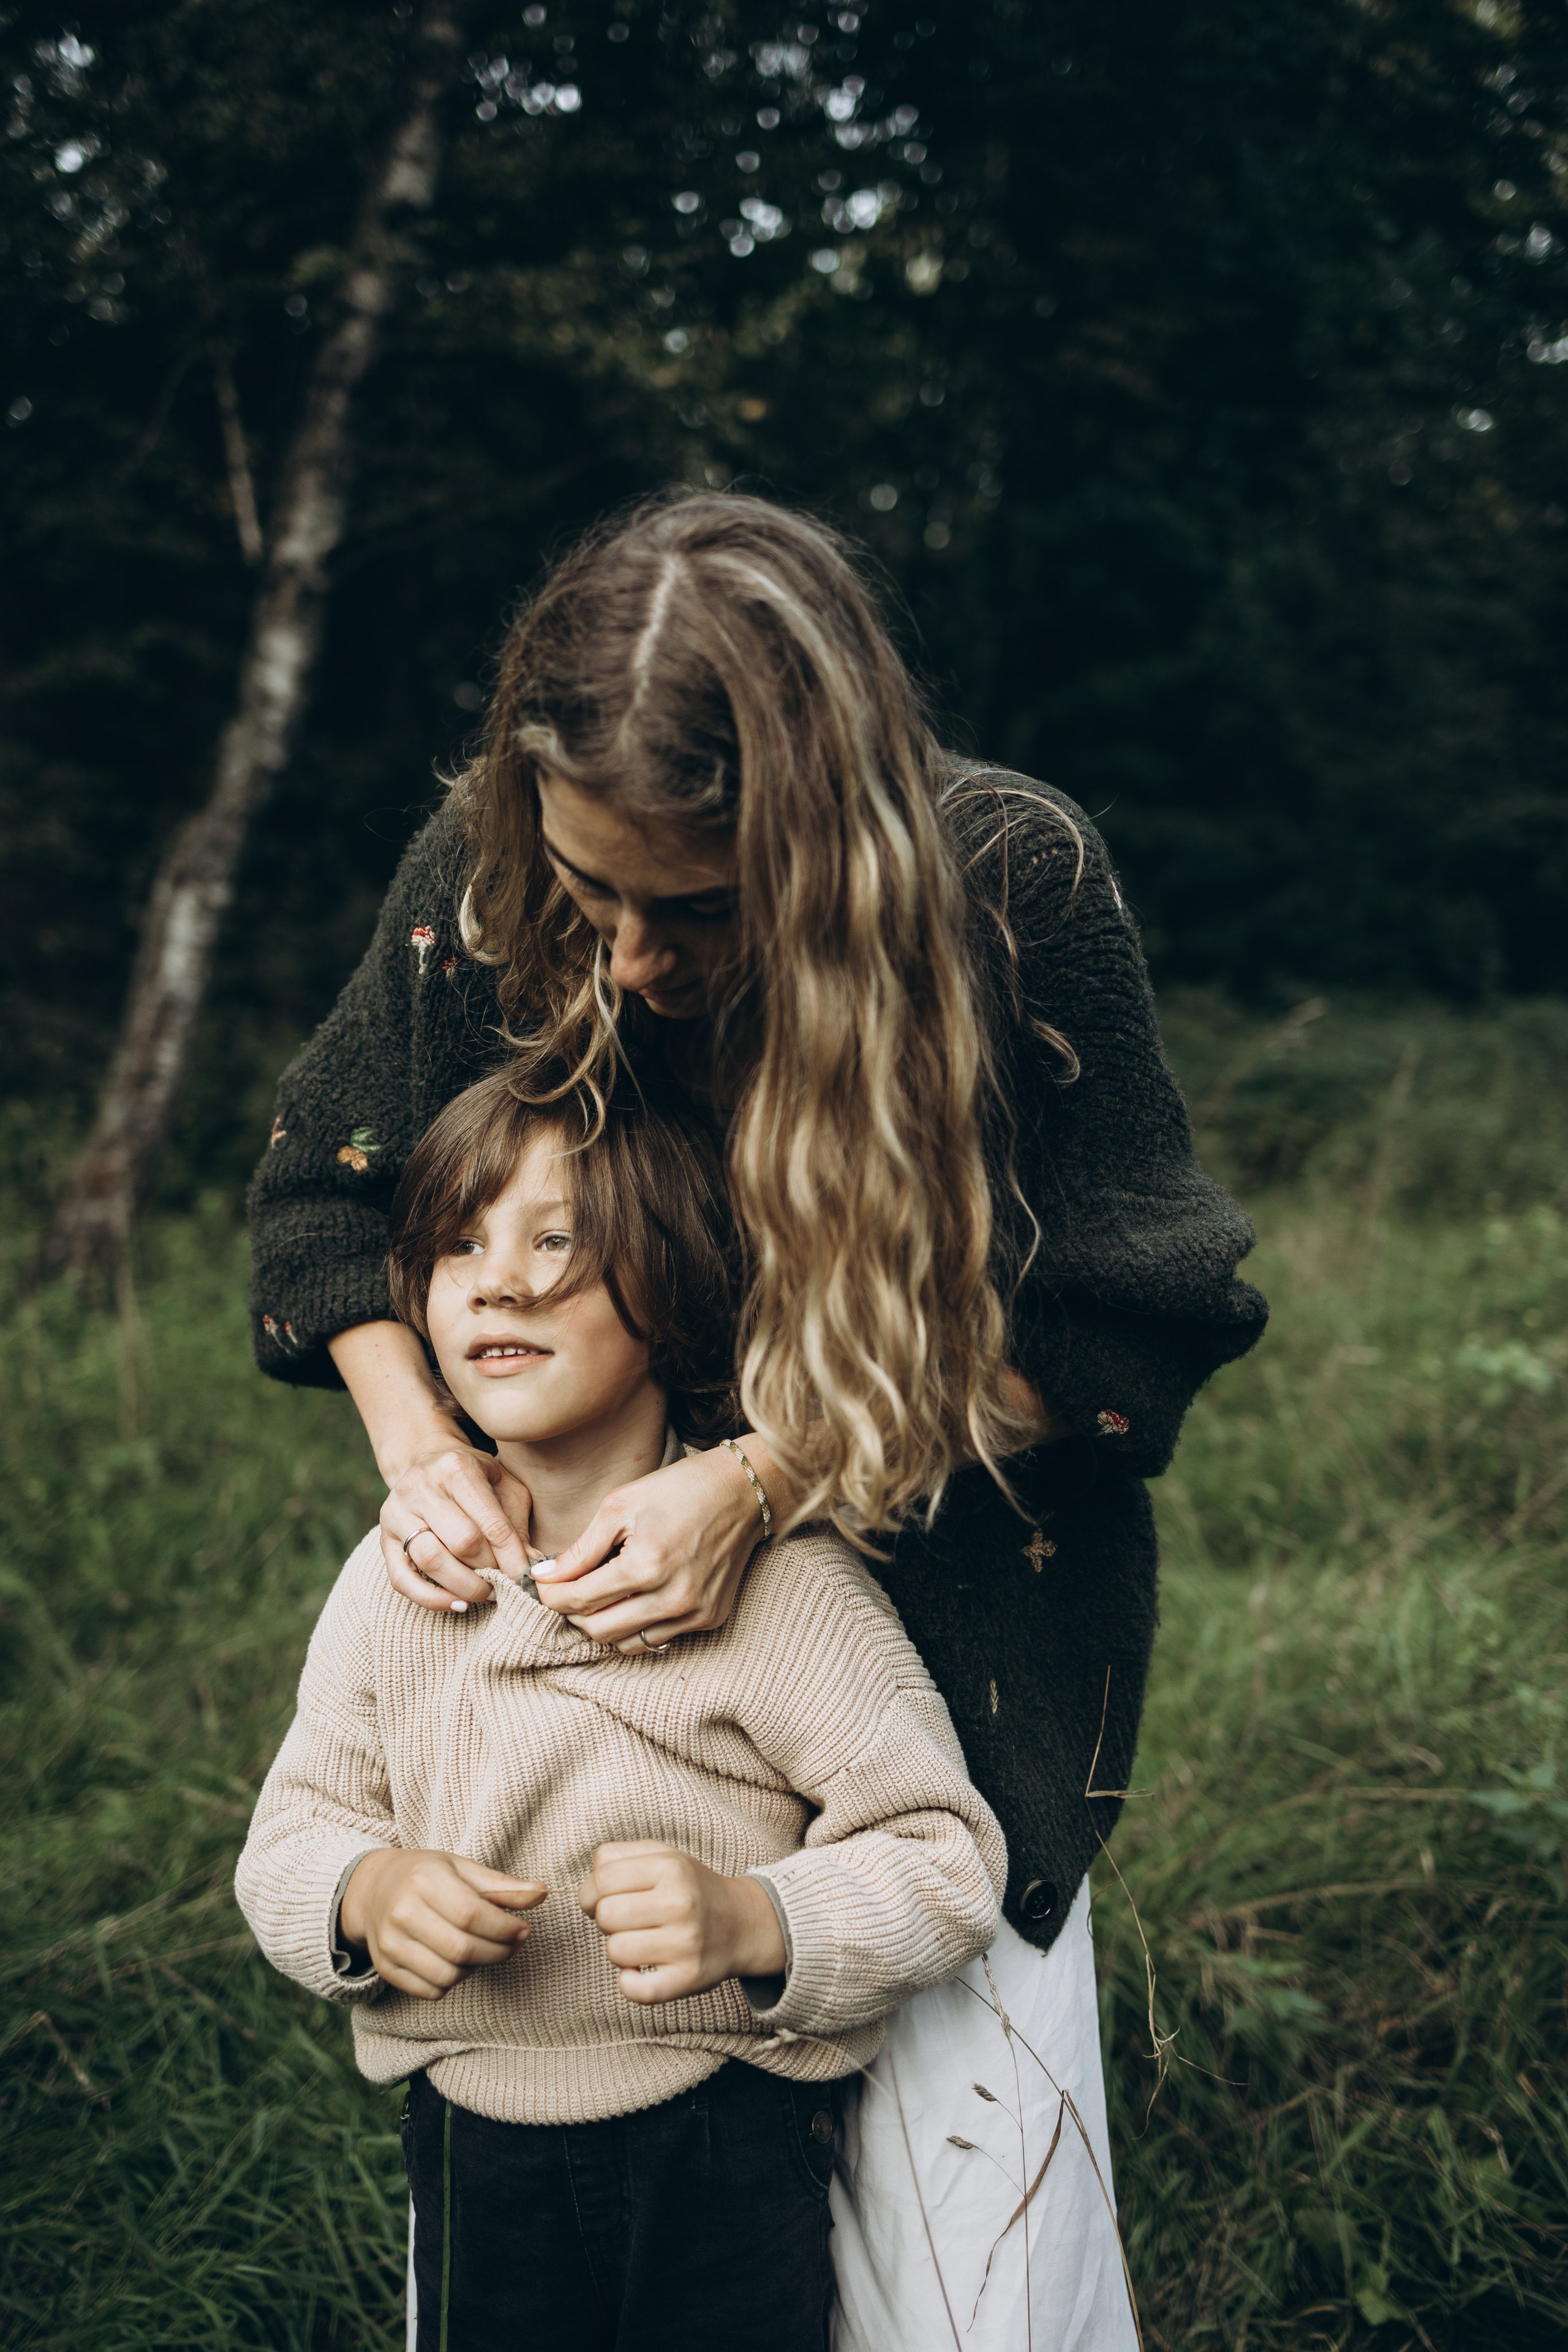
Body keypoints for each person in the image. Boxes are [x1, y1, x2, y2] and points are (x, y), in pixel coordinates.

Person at [247, 490, 1267, 2332]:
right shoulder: (483, 881)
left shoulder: (1008, 885)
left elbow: (1132, 1321)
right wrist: (425, 1451)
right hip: (554, 1805)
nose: (628, 962)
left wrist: (771, 1477)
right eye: (591, 893)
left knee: (947, 2272)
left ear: (830, 845)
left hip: (933, 1674)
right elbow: (326, 1200)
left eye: (697, 906)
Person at [236, 1069, 1006, 2352]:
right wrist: (362, 1897)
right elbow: (287, 1841)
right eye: (459, 1246)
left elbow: (942, 1859)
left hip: (722, 2132)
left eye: (560, 1242)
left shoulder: (776, 1582)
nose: (499, 1280)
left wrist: (761, 1916)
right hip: (470, 2131)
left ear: (678, 1297)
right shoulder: (401, 1576)